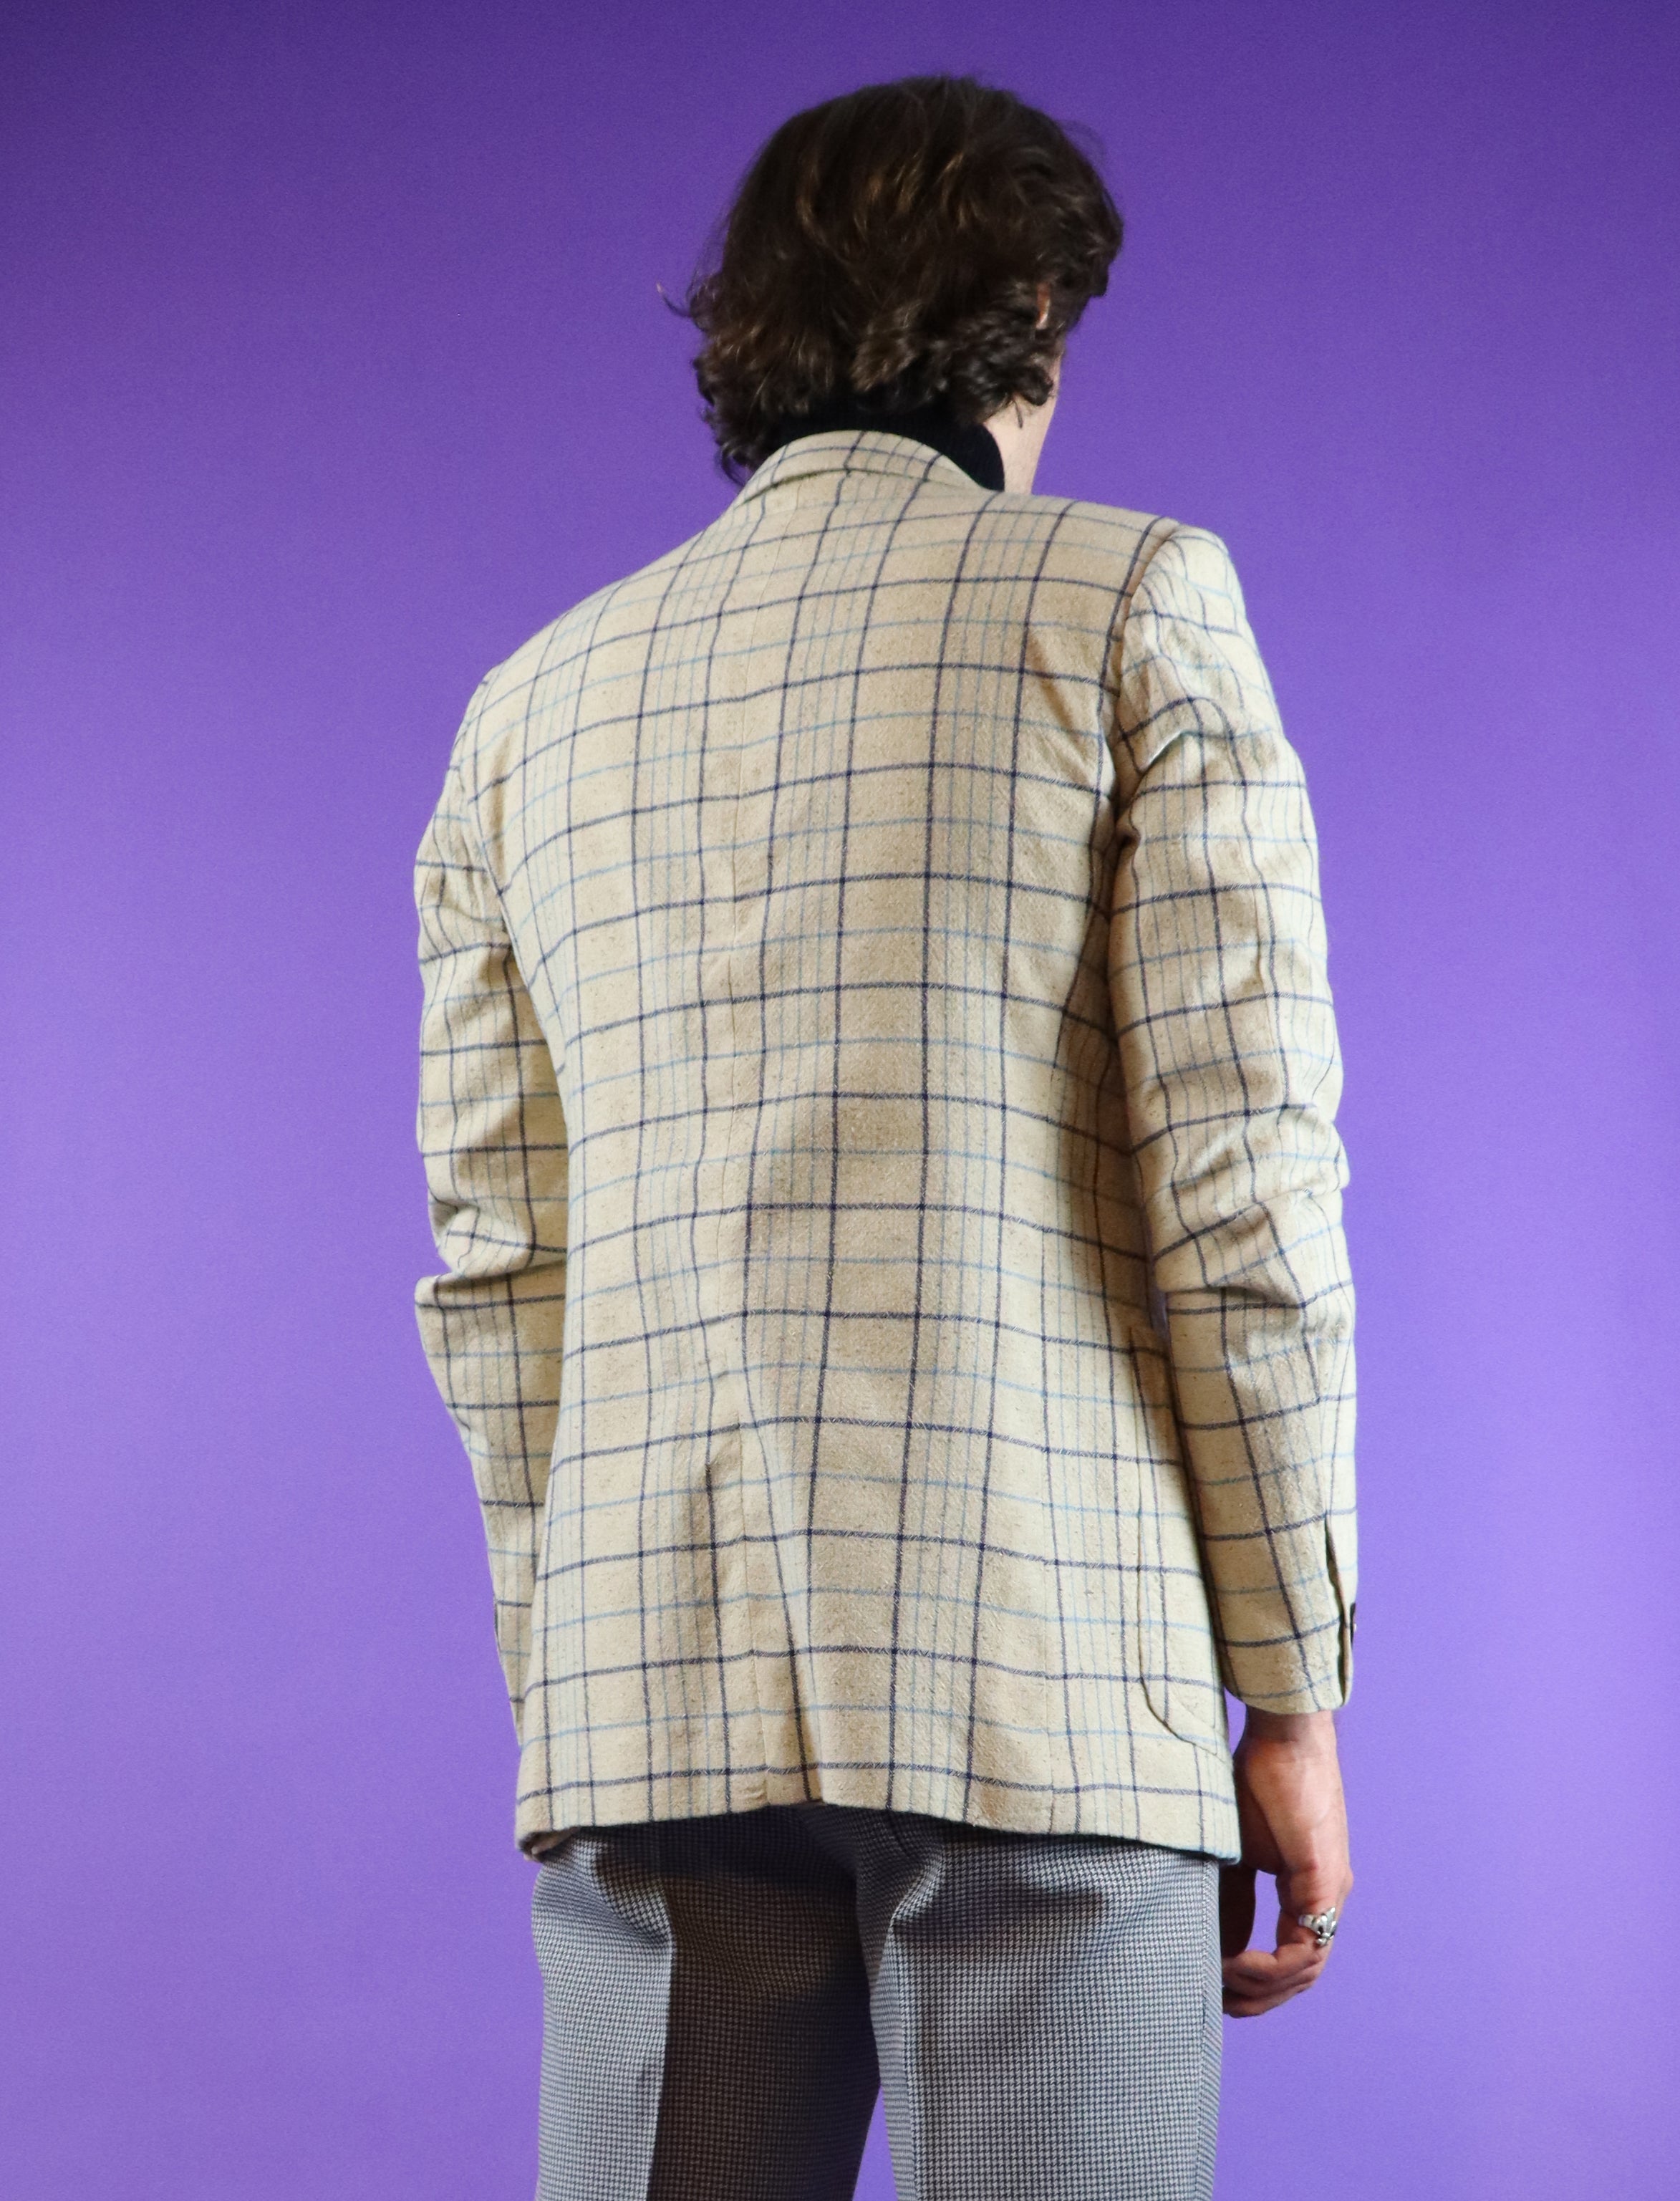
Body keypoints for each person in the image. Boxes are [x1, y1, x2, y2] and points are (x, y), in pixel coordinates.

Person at [414, 72, 1356, 2201]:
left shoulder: (527, 709)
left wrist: (579, 1681)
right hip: (1045, 1679)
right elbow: (1241, 1193)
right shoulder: (1128, 598)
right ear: (1037, 319)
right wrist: (1289, 1695)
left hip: (647, 1701)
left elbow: (500, 1270)